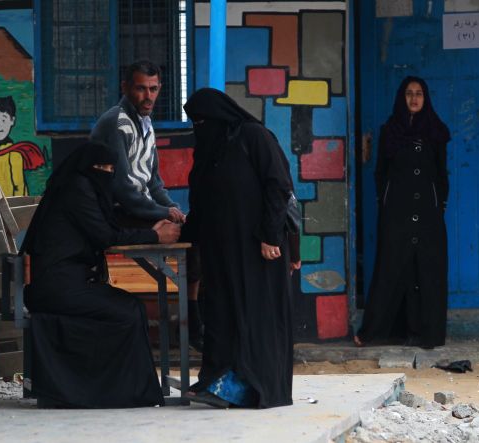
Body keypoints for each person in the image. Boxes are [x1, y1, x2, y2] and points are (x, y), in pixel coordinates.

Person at [19, 141, 181, 408]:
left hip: (64, 283)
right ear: (85, 167)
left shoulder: (78, 186)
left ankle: (126, 390)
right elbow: (105, 235)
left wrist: (151, 229)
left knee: (131, 307)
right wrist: (155, 236)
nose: (105, 173)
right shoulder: (77, 188)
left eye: (110, 168)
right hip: (58, 287)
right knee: (129, 309)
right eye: (100, 167)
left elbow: (108, 225)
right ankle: (119, 391)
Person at [181, 88, 297, 409]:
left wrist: (271, 236)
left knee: (254, 317)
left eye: (203, 120)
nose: (199, 127)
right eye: (195, 122)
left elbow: (278, 185)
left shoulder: (253, 136)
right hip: (221, 253)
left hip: (257, 250)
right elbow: (201, 200)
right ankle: (217, 384)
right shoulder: (209, 149)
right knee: (222, 315)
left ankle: (252, 389)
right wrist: (183, 234)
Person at [90, 60, 204, 350]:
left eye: (153, 89)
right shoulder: (117, 123)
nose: (148, 96)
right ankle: (193, 324)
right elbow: (122, 189)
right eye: (141, 89)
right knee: (188, 234)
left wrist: (174, 210)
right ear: (125, 87)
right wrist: (163, 213)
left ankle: (193, 315)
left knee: (195, 229)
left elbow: (153, 183)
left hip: (137, 211)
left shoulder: (146, 124)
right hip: (114, 213)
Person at [355, 76, 450, 349]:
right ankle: (374, 331)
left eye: (419, 93)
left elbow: (441, 173)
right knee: (391, 266)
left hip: (428, 212)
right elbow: (381, 171)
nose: (414, 98)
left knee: (427, 270)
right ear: (401, 97)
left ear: (425, 98)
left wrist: (439, 203)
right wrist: (385, 200)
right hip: (396, 211)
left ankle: (428, 334)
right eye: (409, 93)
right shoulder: (390, 131)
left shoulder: (435, 130)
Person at [0, 96, 45, 196]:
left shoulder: (15, 155)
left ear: (12, 120)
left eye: (3, 120)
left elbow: (19, 186)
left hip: (11, 204)